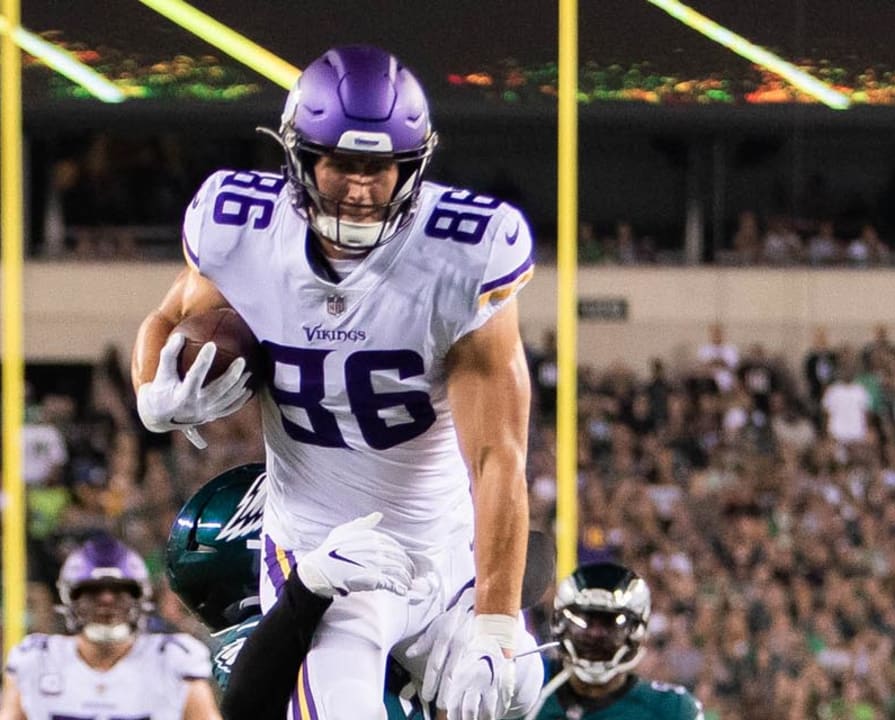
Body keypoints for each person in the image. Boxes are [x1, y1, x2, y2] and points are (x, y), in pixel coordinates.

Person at [131, 45, 539, 719]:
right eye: (341, 164)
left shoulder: (464, 255)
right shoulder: (243, 226)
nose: (358, 187)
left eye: (377, 167)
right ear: (299, 157)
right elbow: (170, 317)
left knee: (514, 687)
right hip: (323, 553)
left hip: (447, 545)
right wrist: (153, 391)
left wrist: (495, 623)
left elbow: (499, 456)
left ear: (409, 165)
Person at [166, 463, 553, 719]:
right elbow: (245, 708)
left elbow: (534, 550)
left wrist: (482, 601)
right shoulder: (266, 637)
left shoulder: (368, 570)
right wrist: (307, 588)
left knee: (523, 668)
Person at [0, 535, 222, 720]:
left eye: (120, 590)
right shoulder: (36, 659)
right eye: (92, 590)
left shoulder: (172, 659)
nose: (106, 600)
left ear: (140, 596)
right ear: (70, 597)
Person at [523, 562, 704, 719]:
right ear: (559, 623)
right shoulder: (525, 684)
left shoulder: (670, 710)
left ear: (637, 631)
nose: (595, 634)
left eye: (610, 623)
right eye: (585, 621)